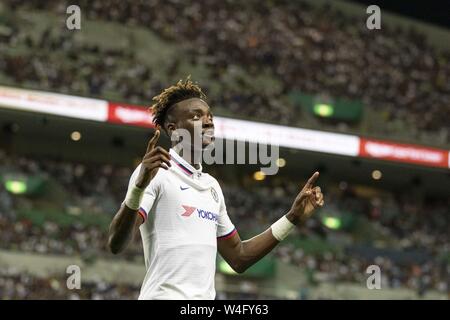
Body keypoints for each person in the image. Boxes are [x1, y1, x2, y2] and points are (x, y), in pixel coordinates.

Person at [107, 78, 324, 300]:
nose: (208, 122)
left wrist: (292, 218)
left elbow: (239, 257)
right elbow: (116, 243)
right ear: (173, 129)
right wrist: (138, 188)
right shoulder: (156, 172)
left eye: (209, 116)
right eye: (196, 116)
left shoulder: (211, 187)